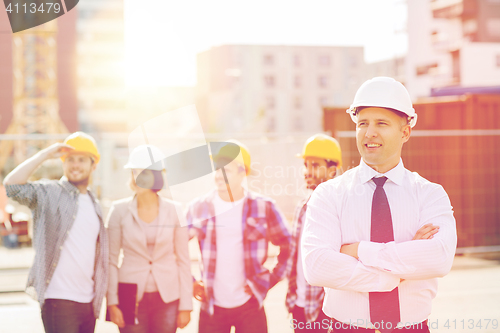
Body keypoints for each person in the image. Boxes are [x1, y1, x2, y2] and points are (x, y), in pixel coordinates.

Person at [302, 77, 458, 333]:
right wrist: (399, 270)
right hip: (346, 328)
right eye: (363, 123)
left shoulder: (430, 195)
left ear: (405, 132)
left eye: (381, 124)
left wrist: (358, 250)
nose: (369, 132)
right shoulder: (329, 194)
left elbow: (439, 258)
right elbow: (317, 265)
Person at [3, 132, 108, 333]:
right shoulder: (49, 193)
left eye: (81, 160)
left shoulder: (95, 204)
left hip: (88, 301)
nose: (75, 165)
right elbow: (11, 186)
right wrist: (44, 155)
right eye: (70, 160)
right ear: (63, 163)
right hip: (59, 299)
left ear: (93, 165)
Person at [186, 139, 291, 333]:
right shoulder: (199, 207)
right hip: (211, 308)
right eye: (216, 169)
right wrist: (190, 282)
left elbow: (289, 246)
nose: (218, 175)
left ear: (243, 172)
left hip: (250, 306)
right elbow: (175, 247)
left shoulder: (263, 207)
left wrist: (268, 280)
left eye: (226, 169)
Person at [107, 144, 192, 333]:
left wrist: (186, 305)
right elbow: (111, 261)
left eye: (144, 172)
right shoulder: (118, 211)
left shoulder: (175, 210)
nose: (137, 178)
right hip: (128, 295)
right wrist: (112, 302)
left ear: (157, 176)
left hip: (168, 297)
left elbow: (184, 261)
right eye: (134, 172)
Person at [286, 134, 342, 333]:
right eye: (305, 164)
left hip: (326, 307)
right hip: (300, 304)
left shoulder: (342, 207)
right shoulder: (302, 207)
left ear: (332, 169)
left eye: (314, 165)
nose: (307, 171)